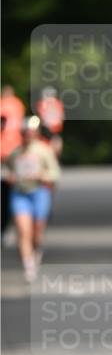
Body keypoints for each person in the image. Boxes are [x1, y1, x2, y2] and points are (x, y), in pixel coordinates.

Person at [5, 116, 61, 281]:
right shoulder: (16, 152)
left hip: (39, 193)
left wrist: (40, 175)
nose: (27, 135)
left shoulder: (44, 150)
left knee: (37, 231)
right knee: (23, 231)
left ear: (36, 133)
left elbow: (54, 174)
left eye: (30, 132)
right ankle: (28, 265)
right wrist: (11, 177)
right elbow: (7, 171)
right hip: (20, 194)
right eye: (25, 132)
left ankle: (36, 251)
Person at [1, 85, 26, 238]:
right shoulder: (18, 104)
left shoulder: (4, 104)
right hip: (14, 150)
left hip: (6, 152)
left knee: (7, 191)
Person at [35, 87, 65, 158]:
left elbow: (41, 116)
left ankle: (50, 158)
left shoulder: (43, 103)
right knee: (54, 144)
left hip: (49, 127)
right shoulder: (57, 103)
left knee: (48, 145)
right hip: (55, 127)